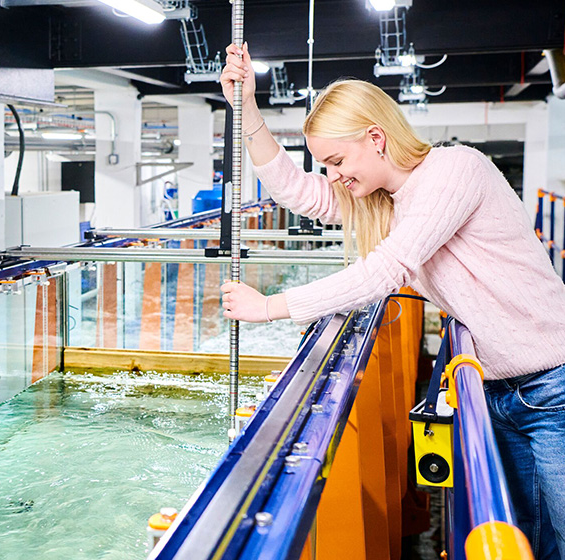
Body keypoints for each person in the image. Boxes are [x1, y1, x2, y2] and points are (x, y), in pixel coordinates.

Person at [219, 42, 565, 559]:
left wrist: (270, 306)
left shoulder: (453, 170)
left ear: (376, 138)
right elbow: (296, 190)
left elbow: (386, 269)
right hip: (497, 388)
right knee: (532, 538)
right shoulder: (388, 203)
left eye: (337, 161)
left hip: (554, 387)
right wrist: (246, 109)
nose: (333, 175)